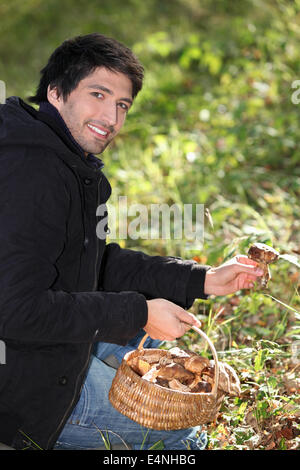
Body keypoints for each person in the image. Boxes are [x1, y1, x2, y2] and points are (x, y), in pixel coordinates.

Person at [0, 33, 263, 451]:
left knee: (157, 338)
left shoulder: (62, 158)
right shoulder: (33, 174)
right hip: (17, 389)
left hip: (31, 346)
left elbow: (92, 264)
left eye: (122, 104)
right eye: (98, 94)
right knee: (178, 437)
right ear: (55, 92)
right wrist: (139, 310)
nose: (112, 116)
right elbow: (15, 311)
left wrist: (203, 279)